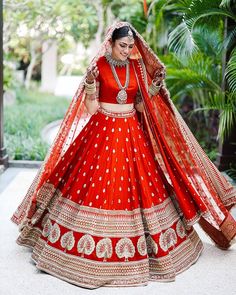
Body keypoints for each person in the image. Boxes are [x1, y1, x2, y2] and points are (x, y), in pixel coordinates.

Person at [11, 21, 236, 289]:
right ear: (111, 42)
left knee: (138, 188)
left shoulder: (137, 68)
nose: (127, 51)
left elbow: (140, 107)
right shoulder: (99, 68)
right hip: (101, 130)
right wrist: (92, 84)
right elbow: (92, 109)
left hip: (131, 134)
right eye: (122, 46)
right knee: (94, 187)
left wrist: (153, 90)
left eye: (130, 47)